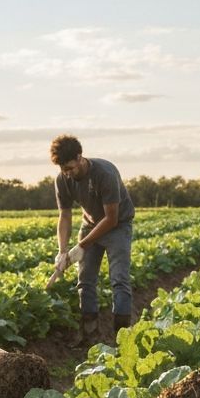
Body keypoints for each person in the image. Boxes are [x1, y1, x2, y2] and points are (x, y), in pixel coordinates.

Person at [49, 135, 135, 345]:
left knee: (119, 280)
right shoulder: (62, 179)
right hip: (89, 224)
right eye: (63, 169)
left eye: (70, 167)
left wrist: (81, 245)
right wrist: (62, 250)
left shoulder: (104, 173)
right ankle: (90, 338)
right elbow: (65, 215)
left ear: (80, 157)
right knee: (85, 281)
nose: (67, 173)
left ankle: (121, 341)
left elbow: (111, 218)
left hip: (118, 226)